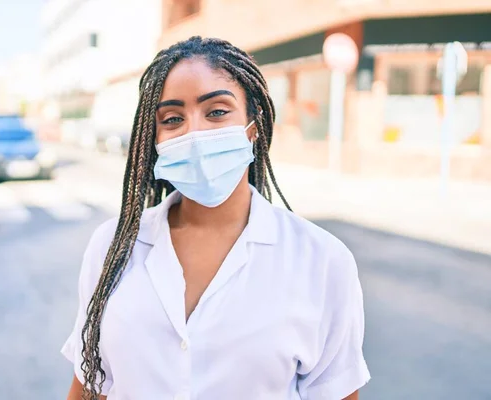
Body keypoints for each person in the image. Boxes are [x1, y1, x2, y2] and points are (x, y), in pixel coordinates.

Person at [62, 36, 370, 400]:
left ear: (253, 129)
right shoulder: (112, 246)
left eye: (217, 111)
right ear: (154, 139)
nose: (194, 132)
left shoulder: (322, 260)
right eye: (173, 119)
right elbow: (91, 385)